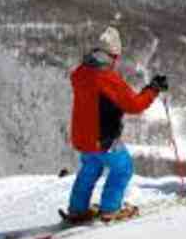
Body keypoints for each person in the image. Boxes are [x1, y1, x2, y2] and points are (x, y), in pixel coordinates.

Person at [66, 26, 169, 223]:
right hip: (103, 139)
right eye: (116, 57)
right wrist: (153, 90)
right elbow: (134, 105)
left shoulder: (81, 72)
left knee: (90, 169)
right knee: (123, 168)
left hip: (82, 137)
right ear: (112, 55)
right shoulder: (107, 78)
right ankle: (110, 209)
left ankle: (77, 210)